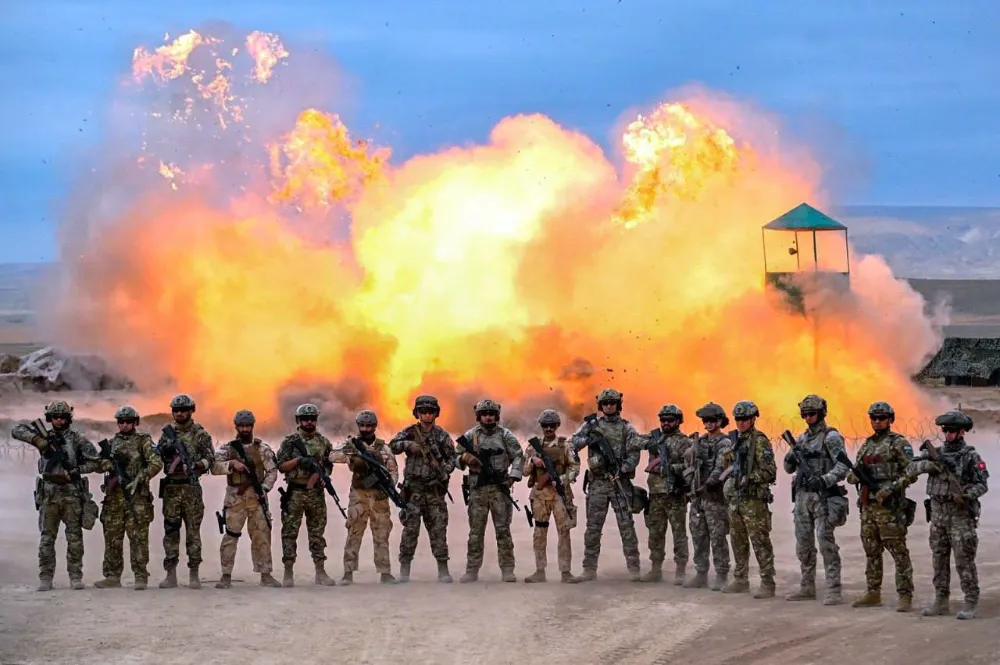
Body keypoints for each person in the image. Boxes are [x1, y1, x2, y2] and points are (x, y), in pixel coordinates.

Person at [11, 400, 103, 591]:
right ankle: (46, 577)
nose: (59, 420)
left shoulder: (77, 439)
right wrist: (38, 441)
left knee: (74, 538)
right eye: (55, 417)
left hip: (71, 493)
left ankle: (75, 576)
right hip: (49, 493)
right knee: (47, 538)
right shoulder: (45, 437)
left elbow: (98, 463)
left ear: (69, 418)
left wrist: (78, 470)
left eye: (63, 417)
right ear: (49, 419)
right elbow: (17, 429)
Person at [905, 410, 988, 619]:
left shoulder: (970, 456)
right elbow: (910, 468)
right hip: (938, 514)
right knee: (939, 559)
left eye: (952, 431)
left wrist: (968, 495)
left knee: (964, 560)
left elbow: (982, 484)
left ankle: (970, 601)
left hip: (960, 515)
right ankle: (941, 600)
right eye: (945, 430)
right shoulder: (936, 453)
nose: (948, 434)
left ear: (962, 432)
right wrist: (929, 465)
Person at [848, 402, 916, 612]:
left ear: (890, 419)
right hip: (869, 508)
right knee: (871, 550)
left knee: (898, 551)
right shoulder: (867, 444)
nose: (877, 422)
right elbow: (858, 468)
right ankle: (873, 592)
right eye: (874, 418)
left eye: (881, 418)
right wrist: (854, 476)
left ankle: (905, 594)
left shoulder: (898, 443)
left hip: (889, 508)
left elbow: (912, 471)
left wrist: (891, 488)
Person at [571, 388, 643, 581]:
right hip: (598, 485)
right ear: (601, 406)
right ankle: (589, 569)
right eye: (605, 403)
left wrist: (623, 469)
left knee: (626, 526)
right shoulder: (591, 425)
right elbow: (573, 442)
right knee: (593, 528)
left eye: (612, 402)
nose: (609, 405)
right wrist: (588, 439)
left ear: (618, 405)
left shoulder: (627, 428)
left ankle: (634, 568)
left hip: (619, 483)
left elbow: (635, 452)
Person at [783, 394, 850, 605]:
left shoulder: (831, 438)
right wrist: (790, 457)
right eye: (805, 414)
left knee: (825, 542)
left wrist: (825, 480)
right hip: (803, 498)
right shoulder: (801, 440)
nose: (809, 418)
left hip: (823, 497)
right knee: (803, 544)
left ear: (821, 414)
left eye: (812, 414)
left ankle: (833, 588)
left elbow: (843, 466)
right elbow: (788, 469)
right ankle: (807, 586)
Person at [93, 406, 163, 590]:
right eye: (121, 422)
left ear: (135, 423)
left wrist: (141, 477)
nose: (124, 425)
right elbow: (97, 463)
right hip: (114, 499)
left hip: (136, 498)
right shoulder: (111, 443)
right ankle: (112, 576)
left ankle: (140, 576)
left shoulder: (143, 441)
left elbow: (156, 462)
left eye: (128, 422)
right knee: (112, 538)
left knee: (138, 538)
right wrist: (106, 464)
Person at [389, 395, 457, 583]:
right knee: (410, 531)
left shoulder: (441, 435)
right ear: (417, 413)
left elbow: (453, 458)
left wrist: (444, 471)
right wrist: (408, 445)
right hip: (414, 490)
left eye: (430, 411)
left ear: (436, 413)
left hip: (434, 490)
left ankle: (443, 570)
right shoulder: (410, 432)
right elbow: (392, 446)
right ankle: (404, 571)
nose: (427, 415)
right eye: (423, 411)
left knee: (438, 530)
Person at [456, 399, 524, 583]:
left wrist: (512, 477)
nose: (488, 417)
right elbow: (454, 457)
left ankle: (508, 569)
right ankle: (472, 570)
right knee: (476, 532)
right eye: (484, 414)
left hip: (499, 488)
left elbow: (518, 455)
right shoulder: (471, 435)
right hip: (478, 489)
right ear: (479, 416)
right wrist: (464, 457)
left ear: (496, 416)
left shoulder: (505, 435)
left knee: (503, 530)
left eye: (491, 414)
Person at [212, 409, 280, 589]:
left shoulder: (262, 449)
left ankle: (265, 574)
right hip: (236, 498)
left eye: (247, 426)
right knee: (231, 536)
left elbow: (272, 471)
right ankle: (226, 575)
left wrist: (264, 488)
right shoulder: (228, 449)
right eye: (241, 426)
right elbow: (214, 466)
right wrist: (231, 464)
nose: (244, 429)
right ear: (236, 426)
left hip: (257, 499)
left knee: (262, 535)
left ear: (252, 426)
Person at [156, 393, 215, 589]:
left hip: (191, 488)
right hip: (172, 488)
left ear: (191, 411)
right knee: (171, 531)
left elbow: (210, 459)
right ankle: (170, 575)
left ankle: (194, 574)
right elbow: (157, 456)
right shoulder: (167, 433)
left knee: (193, 533)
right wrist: (168, 453)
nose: (179, 413)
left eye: (183, 410)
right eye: (176, 410)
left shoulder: (200, 434)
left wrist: (197, 464)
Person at [718, 400, 777, 598]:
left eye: (744, 419)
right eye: (738, 419)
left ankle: (767, 582)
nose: (741, 422)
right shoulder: (736, 441)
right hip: (736, 501)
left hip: (753, 500)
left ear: (753, 419)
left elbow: (770, 472)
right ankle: (741, 579)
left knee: (760, 541)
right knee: (738, 541)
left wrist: (748, 478)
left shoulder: (759, 441)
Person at [333, 410, 399, 585]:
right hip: (359, 496)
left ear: (375, 426)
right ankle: (348, 572)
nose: (366, 428)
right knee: (354, 532)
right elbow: (333, 455)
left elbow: (393, 471)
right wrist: (352, 455)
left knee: (382, 534)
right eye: (362, 425)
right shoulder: (352, 445)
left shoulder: (383, 448)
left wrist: (387, 485)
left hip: (379, 497)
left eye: (369, 425)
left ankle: (385, 572)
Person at [275, 403, 338, 586]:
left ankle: (320, 571)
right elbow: (281, 466)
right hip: (295, 492)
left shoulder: (323, 442)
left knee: (317, 533)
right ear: (299, 421)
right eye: (305, 419)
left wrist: (319, 474)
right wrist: (298, 461)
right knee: (289, 533)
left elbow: (328, 465)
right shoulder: (290, 442)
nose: (309, 422)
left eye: (312, 419)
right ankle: (288, 573)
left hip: (316, 494)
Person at [522, 409, 583, 584]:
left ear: (557, 426)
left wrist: (562, 480)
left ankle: (566, 572)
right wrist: (533, 461)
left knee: (564, 532)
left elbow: (575, 467)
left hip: (559, 495)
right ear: (541, 426)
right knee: (539, 532)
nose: (548, 428)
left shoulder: (566, 445)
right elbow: (525, 472)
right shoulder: (533, 446)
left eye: (552, 425)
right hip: (540, 495)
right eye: (545, 425)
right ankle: (540, 571)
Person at [641, 404, 691, 585]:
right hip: (656, 494)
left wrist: (669, 468)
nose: (666, 423)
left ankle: (680, 570)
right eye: (663, 420)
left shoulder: (685, 442)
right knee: (655, 533)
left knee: (679, 533)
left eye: (670, 420)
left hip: (675, 494)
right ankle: (655, 569)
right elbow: (634, 442)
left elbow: (690, 466)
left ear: (678, 421)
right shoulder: (655, 439)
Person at [684, 402, 732, 590]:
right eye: (706, 420)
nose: (709, 424)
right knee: (698, 535)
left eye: (712, 420)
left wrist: (708, 484)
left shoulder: (725, 442)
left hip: (714, 497)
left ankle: (721, 574)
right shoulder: (700, 442)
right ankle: (701, 573)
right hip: (698, 497)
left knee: (718, 536)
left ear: (720, 421)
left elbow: (721, 466)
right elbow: (690, 465)